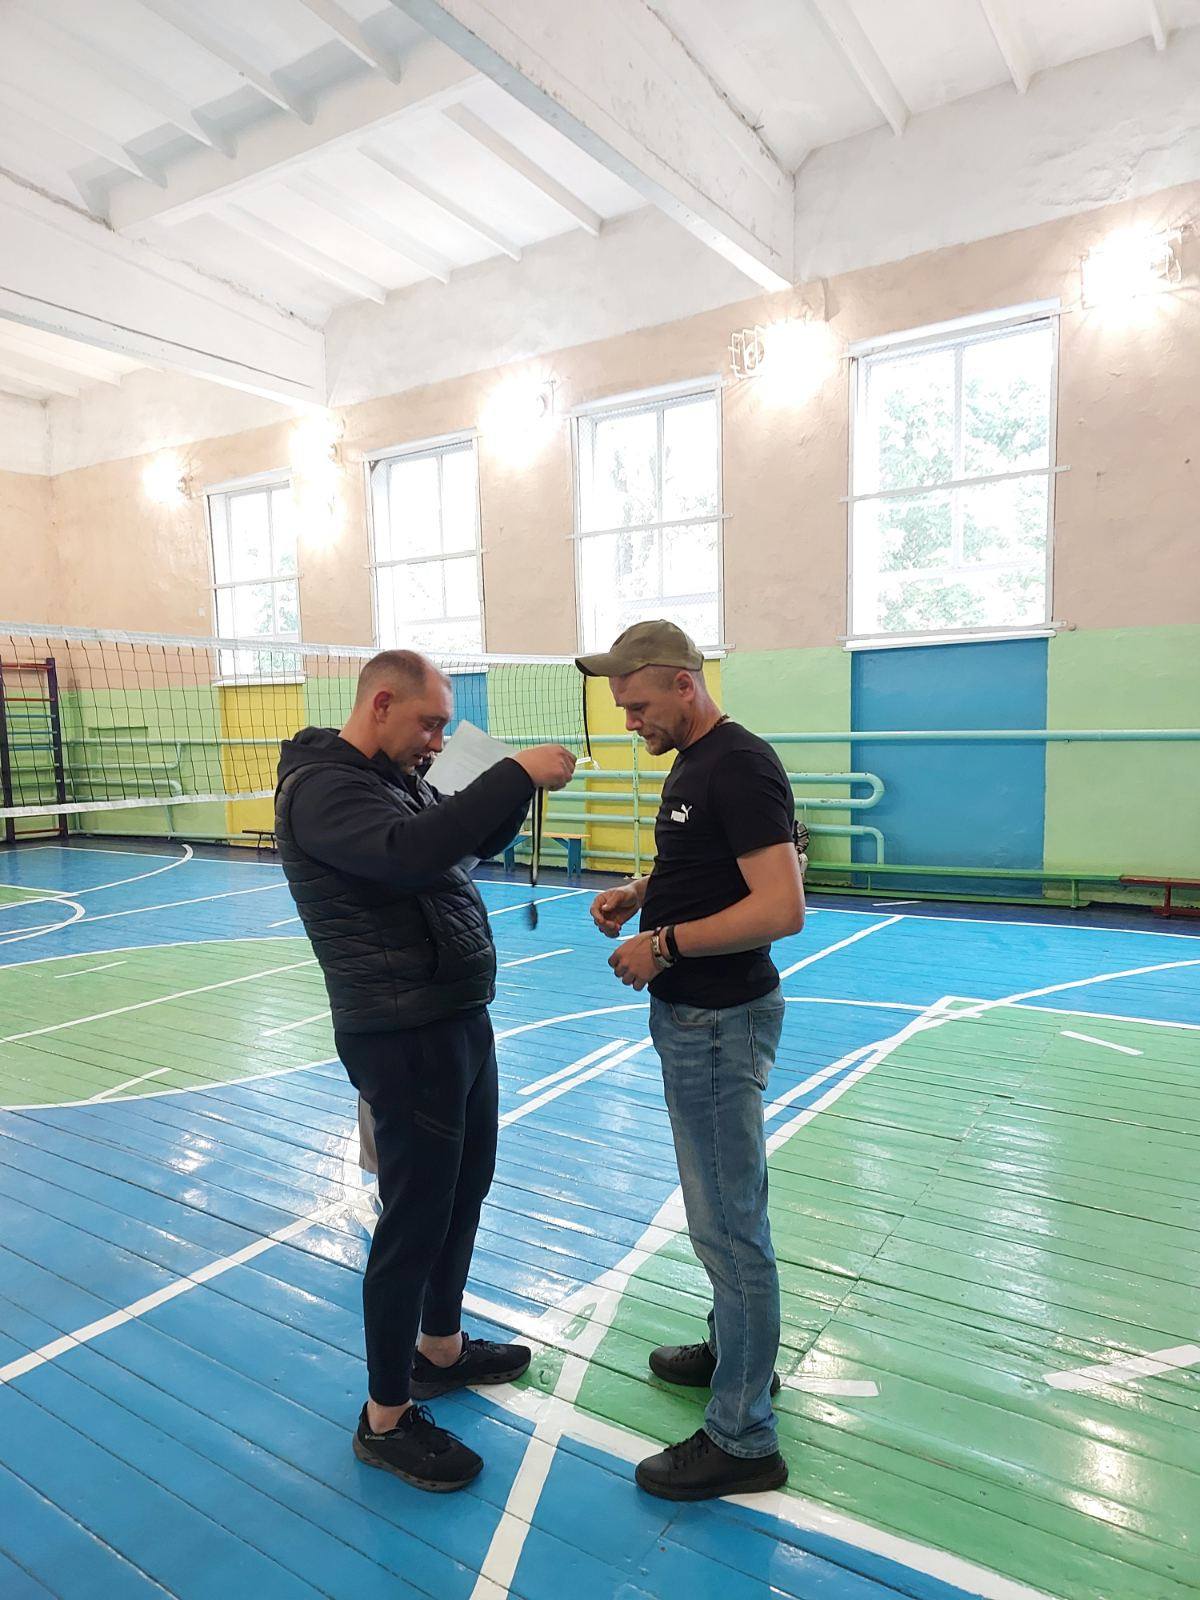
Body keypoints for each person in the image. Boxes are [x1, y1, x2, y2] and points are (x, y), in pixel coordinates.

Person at [275, 649, 575, 1491]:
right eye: (429, 724)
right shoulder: (326, 790)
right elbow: (412, 854)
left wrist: (510, 795)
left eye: (444, 727)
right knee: (413, 1218)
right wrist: (513, 771)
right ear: (380, 703)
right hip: (401, 1034)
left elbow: (461, 841)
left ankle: (439, 1348)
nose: (437, 741)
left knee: (463, 1191)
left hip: (454, 1017)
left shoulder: (395, 779)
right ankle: (385, 1417)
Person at [577, 620, 804, 1501]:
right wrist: (644, 890)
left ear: (683, 683)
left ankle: (743, 1438)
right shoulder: (695, 762)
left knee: (728, 1227)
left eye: (637, 704)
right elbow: (718, 865)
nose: (629, 719)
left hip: (718, 1024)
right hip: (696, 1021)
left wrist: (662, 943)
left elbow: (781, 907)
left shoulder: (738, 764)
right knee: (723, 1213)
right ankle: (734, 1352)